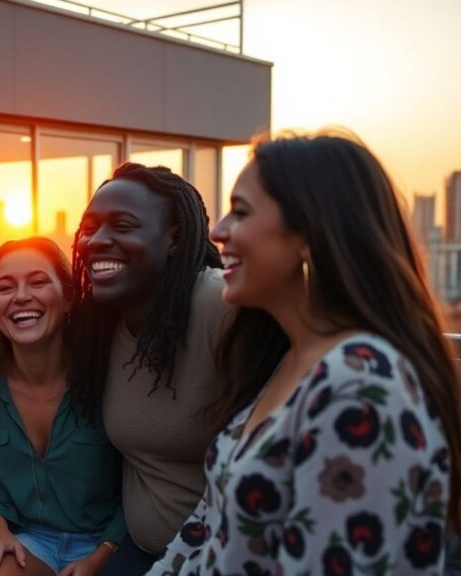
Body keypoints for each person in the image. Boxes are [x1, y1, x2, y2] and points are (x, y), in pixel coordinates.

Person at [149, 131, 461, 574]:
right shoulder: (288, 363)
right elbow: (206, 531)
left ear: (309, 234)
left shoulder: (360, 389)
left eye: (241, 211)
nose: (217, 231)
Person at [69, 163, 227, 573]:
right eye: (89, 228)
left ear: (175, 239)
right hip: (139, 551)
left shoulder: (219, 303)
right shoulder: (99, 325)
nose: (97, 241)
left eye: (123, 226)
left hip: (219, 556)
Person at [0, 237, 126, 576]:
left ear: (68, 298)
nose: (21, 296)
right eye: (5, 288)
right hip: (26, 538)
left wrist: (102, 554)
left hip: (106, 541)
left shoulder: (106, 375)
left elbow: (141, 480)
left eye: (38, 282)